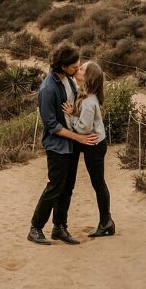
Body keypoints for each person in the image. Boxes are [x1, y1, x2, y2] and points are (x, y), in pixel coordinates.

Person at [28, 46, 99, 245]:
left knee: (67, 187)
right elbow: (52, 126)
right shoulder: (48, 89)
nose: (77, 70)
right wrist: (80, 139)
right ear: (63, 66)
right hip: (58, 146)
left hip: (72, 144)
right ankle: (35, 228)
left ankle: (59, 227)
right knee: (54, 187)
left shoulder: (68, 80)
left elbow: (76, 102)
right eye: (74, 67)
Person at [63, 60, 115, 237]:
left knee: (98, 183)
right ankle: (106, 221)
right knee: (98, 183)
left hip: (94, 144)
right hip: (92, 143)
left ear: (88, 76)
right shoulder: (84, 95)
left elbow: (83, 128)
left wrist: (71, 116)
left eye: (82, 69)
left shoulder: (89, 101)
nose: (78, 69)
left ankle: (106, 222)